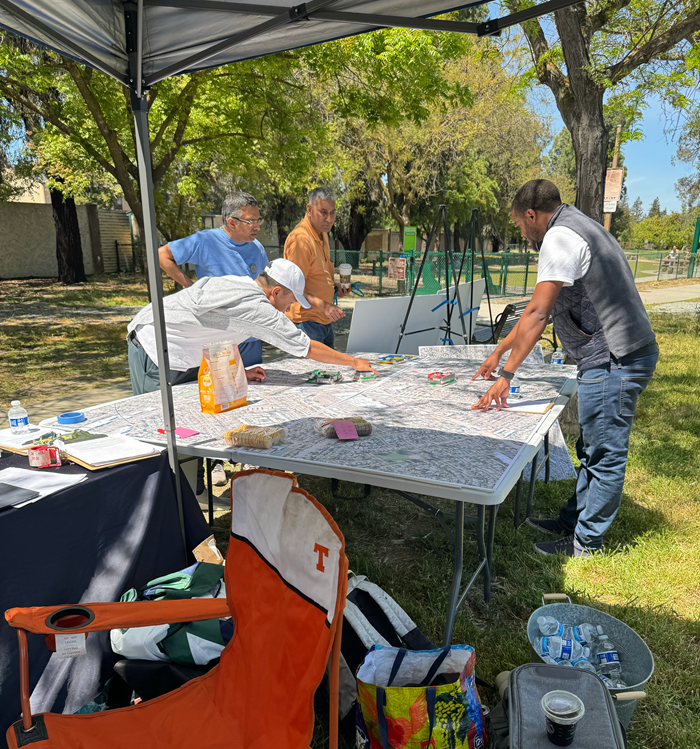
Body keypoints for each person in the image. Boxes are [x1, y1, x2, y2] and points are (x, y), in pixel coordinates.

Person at [471, 179, 658, 558]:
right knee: (590, 447)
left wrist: (506, 376)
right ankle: (572, 520)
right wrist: (498, 352)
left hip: (615, 358)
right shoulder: (576, 225)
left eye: (521, 227)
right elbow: (533, 309)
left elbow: (540, 315)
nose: (523, 236)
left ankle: (585, 544)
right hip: (613, 354)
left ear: (531, 215)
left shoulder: (558, 238)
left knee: (604, 453)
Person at [127, 258, 376, 398]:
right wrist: (354, 363)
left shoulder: (241, 283)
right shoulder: (258, 307)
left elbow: (219, 330)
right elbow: (306, 347)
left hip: (179, 353)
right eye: (290, 301)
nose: (289, 308)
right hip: (154, 347)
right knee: (162, 433)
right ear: (276, 291)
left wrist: (238, 373)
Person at [158, 190, 268, 368]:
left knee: (256, 391)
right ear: (232, 223)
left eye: (258, 220)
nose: (257, 227)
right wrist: (191, 287)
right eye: (251, 221)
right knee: (223, 391)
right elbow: (163, 255)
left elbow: (265, 287)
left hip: (250, 337)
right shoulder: (205, 241)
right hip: (218, 339)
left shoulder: (257, 248)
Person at [283, 186, 346, 348]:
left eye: (332, 213)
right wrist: (323, 305)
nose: (329, 219)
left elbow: (317, 277)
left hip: (323, 321)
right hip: (304, 323)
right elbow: (292, 288)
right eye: (323, 212)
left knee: (330, 373)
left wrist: (335, 288)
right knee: (309, 373)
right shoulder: (301, 240)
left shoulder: (321, 233)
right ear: (309, 209)